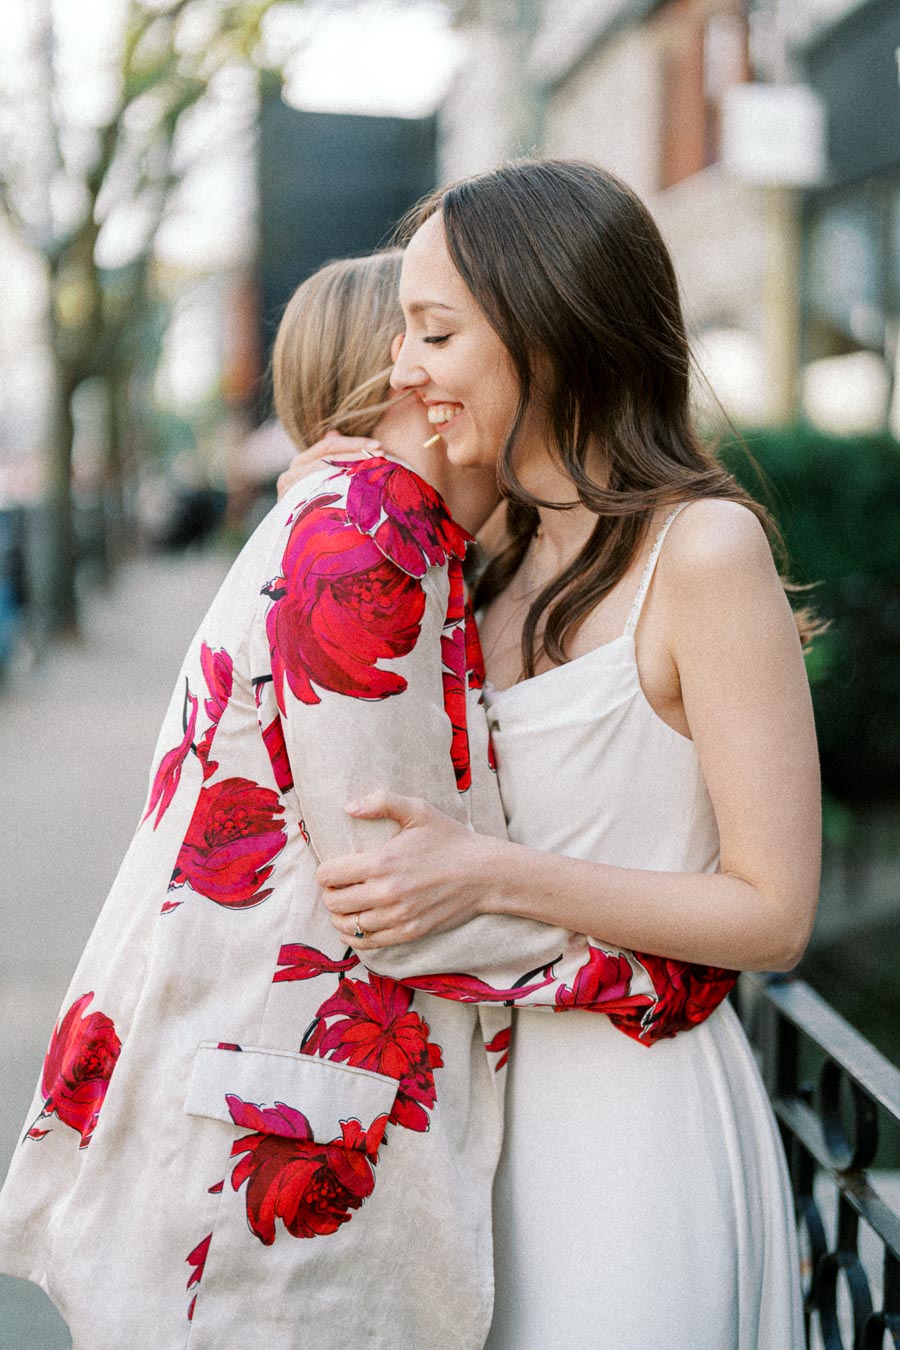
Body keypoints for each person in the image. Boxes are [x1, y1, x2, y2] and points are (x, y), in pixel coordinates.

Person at [0, 249, 709, 1350]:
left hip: (260, 1135)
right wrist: (662, 972)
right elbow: (405, 896)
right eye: (428, 335)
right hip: (274, 1161)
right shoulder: (368, 532)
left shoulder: (381, 528)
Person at [307, 161, 821, 1349]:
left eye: (436, 331)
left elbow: (775, 911)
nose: (405, 369)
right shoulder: (478, 560)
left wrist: (491, 874)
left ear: (549, 329)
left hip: (630, 1135)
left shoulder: (703, 555)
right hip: (467, 1136)